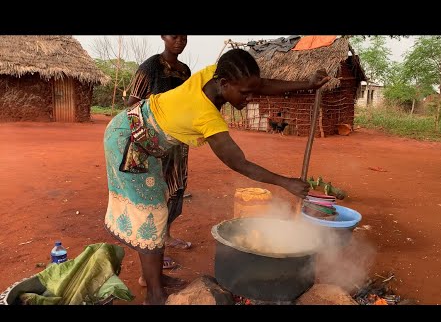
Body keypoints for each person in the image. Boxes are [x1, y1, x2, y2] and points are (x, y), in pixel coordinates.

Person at [103, 48, 330, 304]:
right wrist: (286, 182)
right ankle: (154, 294)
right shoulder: (205, 115)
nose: (250, 98)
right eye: (244, 94)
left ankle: (153, 277)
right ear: (224, 84)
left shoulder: (216, 73)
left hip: (144, 138)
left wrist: (307, 84)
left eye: (250, 92)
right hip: (129, 142)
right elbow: (239, 163)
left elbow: (260, 83)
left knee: (158, 209)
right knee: (150, 214)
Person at [126, 35, 192, 277]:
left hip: (178, 144)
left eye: (184, 36)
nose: (180, 41)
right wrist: (143, 144)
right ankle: (156, 251)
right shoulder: (150, 68)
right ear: (163, 37)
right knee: (156, 194)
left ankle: (165, 236)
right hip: (154, 144)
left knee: (175, 189)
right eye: (174, 36)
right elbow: (132, 107)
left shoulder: (185, 71)